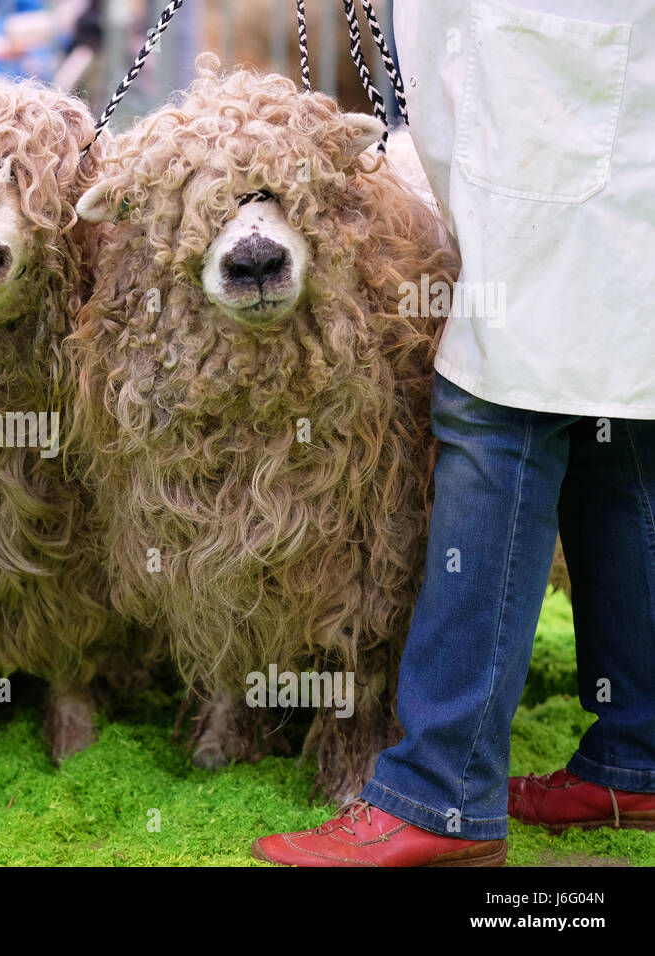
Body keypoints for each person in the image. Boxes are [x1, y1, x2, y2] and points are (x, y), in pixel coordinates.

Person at [254, 0, 655, 866]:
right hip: (574, 86)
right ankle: (641, 753)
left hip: (565, 79)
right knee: (612, 396)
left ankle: (442, 792)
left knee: (497, 402)